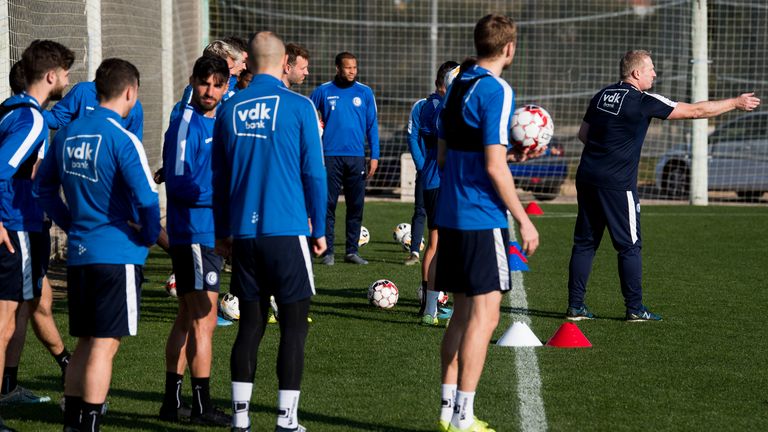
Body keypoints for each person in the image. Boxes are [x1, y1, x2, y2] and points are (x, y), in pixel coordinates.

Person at [566, 49, 760, 322]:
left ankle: (575, 306)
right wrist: (735, 102)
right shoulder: (643, 100)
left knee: (585, 243)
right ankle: (635, 308)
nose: (655, 74)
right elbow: (695, 111)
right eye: (651, 69)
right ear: (636, 73)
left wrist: (606, 151)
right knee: (629, 246)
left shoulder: (601, 96)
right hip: (617, 183)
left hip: (586, 176)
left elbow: (583, 134)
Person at [34, 58, 161, 432]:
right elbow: (148, 200)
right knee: (104, 345)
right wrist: (149, 236)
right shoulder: (124, 139)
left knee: (88, 342)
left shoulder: (69, 134)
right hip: (116, 254)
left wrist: (71, 222)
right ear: (130, 92)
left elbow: (43, 189)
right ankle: (89, 422)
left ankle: (72, 422)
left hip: (81, 254)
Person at [212, 31, 326, 432]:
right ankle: (286, 420)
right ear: (282, 63)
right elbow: (314, 170)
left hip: (244, 233)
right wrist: (320, 226)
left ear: (251, 61)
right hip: (287, 228)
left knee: (250, 324)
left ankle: (240, 420)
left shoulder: (229, 109)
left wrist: (223, 230)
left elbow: (219, 177)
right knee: (294, 326)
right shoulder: (299, 106)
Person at [435, 15, 540, 432]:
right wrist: (524, 221)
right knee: (486, 318)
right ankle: (464, 417)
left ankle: (446, 411)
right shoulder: (497, 89)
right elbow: (494, 168)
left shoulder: (457, 83)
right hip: (481, 216)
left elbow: (445, 157)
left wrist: (503, 158)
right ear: (509, 48)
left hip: (451, 212)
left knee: (461, 315)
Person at [0, 40, 74, 432]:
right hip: (16, 229)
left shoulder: (11, 112)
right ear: (50, 76)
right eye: (64, 72)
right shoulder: (32, 121)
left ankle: (16, 385)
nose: (67, 79)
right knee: (6, 322)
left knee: (31, 306)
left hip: (23, 227)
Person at [158, 55, 232, 426]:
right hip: (195, 234)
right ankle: (202, 405)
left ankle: (172, 402)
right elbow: (180, 182)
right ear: (193, 81)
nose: (210, 90)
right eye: (205, 83)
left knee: (188, 317)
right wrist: (222, 197)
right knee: (204, 319)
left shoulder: (220, 120)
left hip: (208, 234)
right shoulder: (184, 123)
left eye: (218, 84)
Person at [310, 51, 379, 266]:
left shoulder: (365, 93)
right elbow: (309, 119)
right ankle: (328, 251)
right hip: (329, 157)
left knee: (355, 205)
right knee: (328, 204)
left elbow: (372, 126)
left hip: (356, 158)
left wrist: (374, 155)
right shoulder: (323, 91)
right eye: (348, 67)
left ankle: (352, 251)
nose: (352, 71)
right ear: (338, 68)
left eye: (355, 67)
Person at [413, 61, 459, 326]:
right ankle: (435, 305)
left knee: (442, 244)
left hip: (437, 182)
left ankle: (433, 306)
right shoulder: (444, 109)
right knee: (444, 245)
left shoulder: (443, 107)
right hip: (442, 182)